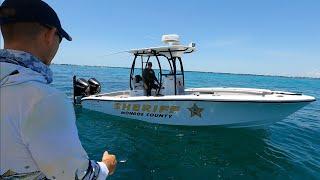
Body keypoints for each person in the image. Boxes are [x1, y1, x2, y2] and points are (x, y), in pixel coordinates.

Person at [0, 0, 116, 179]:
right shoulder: (44, 99)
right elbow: (76, 176)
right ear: (49, 34)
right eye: (59, 39)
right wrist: (106, 166)